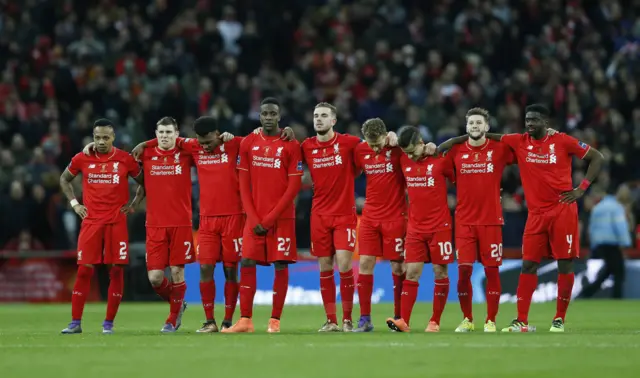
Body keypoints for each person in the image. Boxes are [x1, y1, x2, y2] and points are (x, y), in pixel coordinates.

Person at [447, 104, 604, 332]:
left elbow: (597, 157)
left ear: (546, 123)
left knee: (564, 263)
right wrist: (454, 141)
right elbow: (486, 135)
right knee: (528, 264)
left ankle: (559, 318)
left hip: (562, 209)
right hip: (535, 214)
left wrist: (582, 189)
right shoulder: (519, 141)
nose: (529, 123)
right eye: (527, 119)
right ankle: (521, 320)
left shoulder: (562, 140)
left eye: (534, 120)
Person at [130, 118, 293, 332]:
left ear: (218, 134)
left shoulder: (235, 143)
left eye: (208, 141)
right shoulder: (194, 147)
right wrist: (146, 144)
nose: (204, 146)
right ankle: (209, 322)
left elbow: (261, 140)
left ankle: (227, 320)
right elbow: (169, 139)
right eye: (201, 142)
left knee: (230, 270)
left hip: (234, 217)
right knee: (205, 267)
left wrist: (285, 131)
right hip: (206, 219)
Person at [222, 97, 303, 333]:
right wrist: (254, 217)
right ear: (259, 116)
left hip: (281, 218)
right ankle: (245, 320)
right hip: (254, 217)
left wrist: (269, 219)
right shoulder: (248, 142)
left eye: (273, 113)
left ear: (279, 116)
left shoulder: (291, 144)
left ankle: (274, 321)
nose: (268, 117)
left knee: (280, 264)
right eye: (265, 113)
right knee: (247, 261)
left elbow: (294, 187)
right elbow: (242, 182)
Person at [59, 118, 143, 334]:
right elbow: (64, 179)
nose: (101, 141)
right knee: (84, 270)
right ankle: (75, 323)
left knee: (116, 271)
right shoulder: (82, 158)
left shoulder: (125, 160)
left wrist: (134, 203)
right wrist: (75, 204)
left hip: (116, 222)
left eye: (106, 137)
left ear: (113, 137)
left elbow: (146, 183)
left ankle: (108, 324)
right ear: (92, 137)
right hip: (91, 222)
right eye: (97, 137)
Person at [442, 108, 515, 333]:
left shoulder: (500, 149)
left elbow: (522, 153)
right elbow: (443, 172)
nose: (474, 126)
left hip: (491, 221)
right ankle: (467, 319)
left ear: (487, 127)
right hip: (464, 221)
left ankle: (490, 320)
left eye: (478, 123)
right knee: (463, 272)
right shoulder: (455, 152)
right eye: (471, 123)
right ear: (466, 128)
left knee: (492, 271)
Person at [126, 117, 195, 333]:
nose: (165, 136)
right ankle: (178, 303)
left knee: (177, 272)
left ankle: (172, 319)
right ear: (156, 134)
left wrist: (146, 142)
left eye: (169, 132)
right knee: (155, 278)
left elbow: (203, 142)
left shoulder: (185, 152)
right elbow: (141, 180)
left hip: (181, 223)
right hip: (155, 224)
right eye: (161, 132)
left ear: (177, 133)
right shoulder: (146, 153)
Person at [300, 102, 362, 332]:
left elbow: (372, 147)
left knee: (345, 266)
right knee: (324, 267)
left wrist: (391, 136)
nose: (318, 119)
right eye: (316, 115)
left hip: (344, 214)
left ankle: (347, 319)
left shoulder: (349, 143)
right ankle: (331, 321)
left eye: (324, 116)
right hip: (319, 215)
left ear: (333, 121)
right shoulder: (306, 146)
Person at [386, 126, 453, 333]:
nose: (409, 156)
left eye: (412, 151)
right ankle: (403, 321)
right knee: (411, 272)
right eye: (405, 152)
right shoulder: (403, 158)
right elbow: (383, 142)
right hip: (415, 228)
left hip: (440, 226)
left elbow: (461, 178)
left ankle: (435, 321)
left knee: (440, 271)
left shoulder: (440, 158)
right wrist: (390, 137)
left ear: (422, 142)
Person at [352, 118, 408, 332]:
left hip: (395, 217)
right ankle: (365, 319)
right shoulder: (360, 150)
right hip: (369, 217)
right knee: (365, 264)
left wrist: (398, 138)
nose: (374, 148)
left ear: (386, 135)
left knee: (397, 265)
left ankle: (399, 316)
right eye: (370, 143)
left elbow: (417, 149)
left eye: (377, 143)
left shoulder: (397, 149)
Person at [581, 185, 632, 299]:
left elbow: (592, 229)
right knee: (619, 272)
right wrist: (625, 243)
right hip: (612, 244)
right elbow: (620, 226)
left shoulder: (597, 208)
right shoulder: (616, 207)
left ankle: (587, 293)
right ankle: (617, 298)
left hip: (600, 245)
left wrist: (594, 245)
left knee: (609, 270)